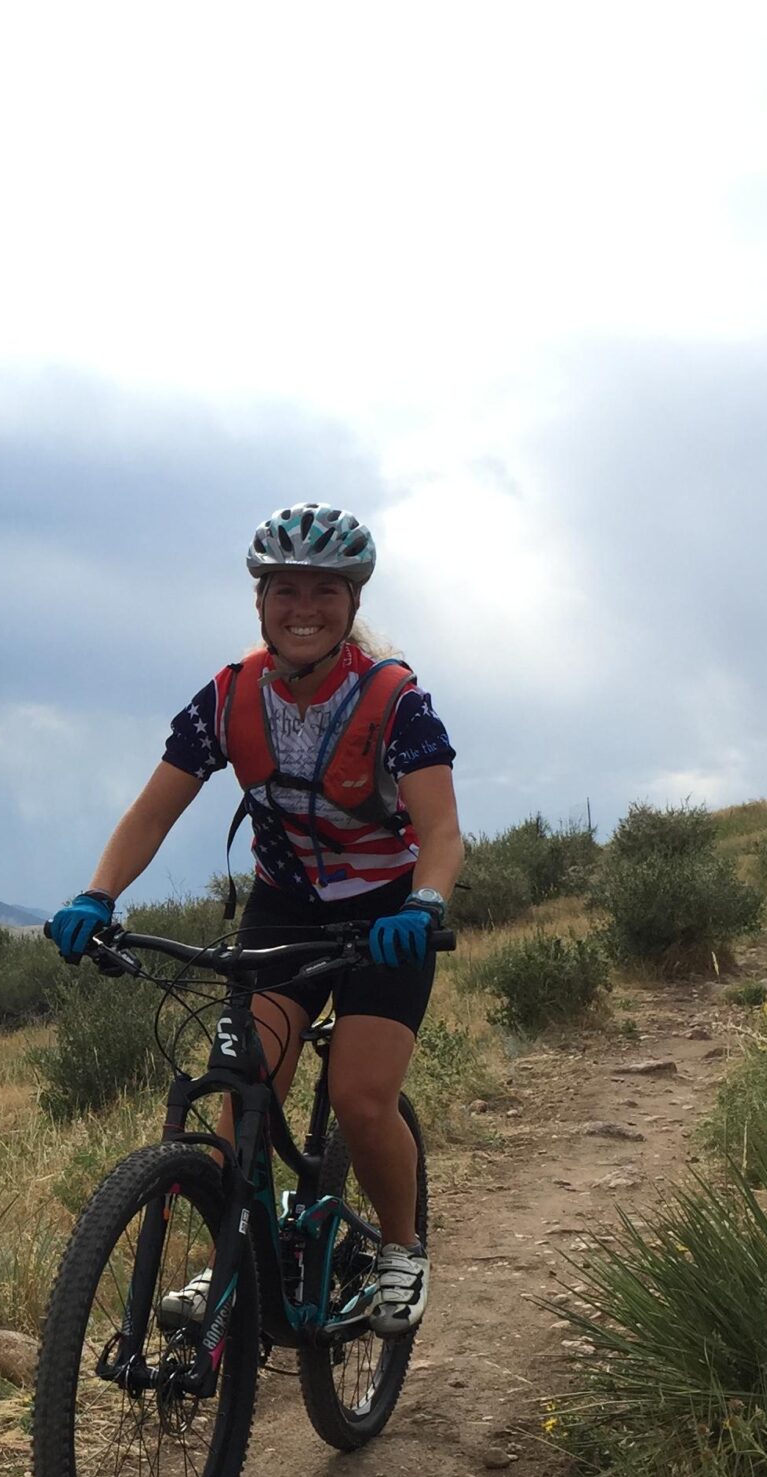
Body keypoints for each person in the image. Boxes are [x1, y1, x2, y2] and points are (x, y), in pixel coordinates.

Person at [48, 502, 464, 1335]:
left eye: (324, 590)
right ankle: (235, 1258)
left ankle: (401, 1248)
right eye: (284, 590)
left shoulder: (394, 703)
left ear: (351, 605)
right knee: (243, 1094)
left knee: (360, 1097)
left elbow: (444, 833)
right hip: (286, 908)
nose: (302, 607)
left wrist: (425, 904)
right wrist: (97, 894)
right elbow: (151, 815)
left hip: (386, 918)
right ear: (260, 602)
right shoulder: (229, 697)